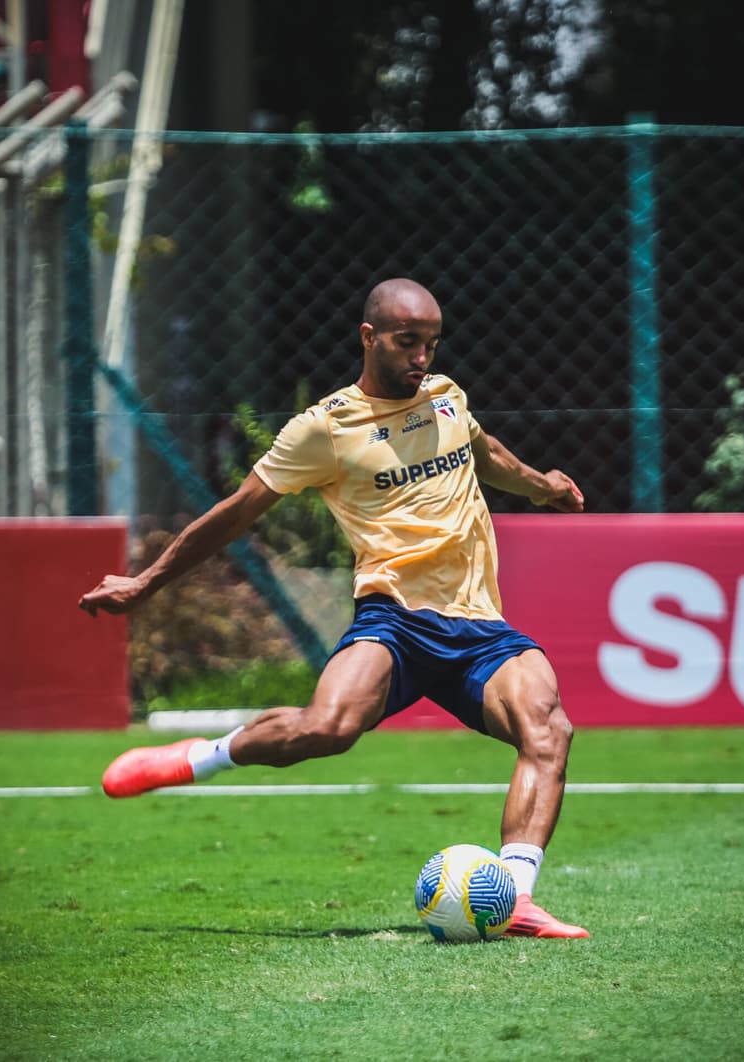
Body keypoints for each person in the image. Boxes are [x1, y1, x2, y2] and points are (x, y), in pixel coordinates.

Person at [80, 278, 589, 940]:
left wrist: (541, 485)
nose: (421, 358)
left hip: (481, 630)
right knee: (324, 730)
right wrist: (146, 581)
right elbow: (233, 514)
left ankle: (514, 898)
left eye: (431, 344)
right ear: (369, 337)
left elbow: (481, 451)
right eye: (408, 343)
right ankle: (203, 756)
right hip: (396, 622)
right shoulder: (322, 429)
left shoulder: (445, 398)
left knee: (548, 731)